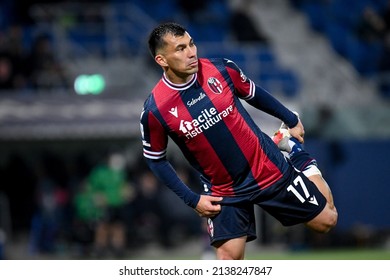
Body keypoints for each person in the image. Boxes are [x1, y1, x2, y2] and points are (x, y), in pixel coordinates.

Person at [140, 22, 337, 260]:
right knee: (228, 260)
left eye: (191, 44)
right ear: (162, 60)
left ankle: (296, 154)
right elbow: (156, 160)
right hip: (224, 190)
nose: (191, 52)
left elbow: (254, 93)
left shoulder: (221, 69)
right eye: (180, 49)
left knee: (327, 221)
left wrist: (289, 118)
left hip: (266, 167)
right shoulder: (155, 110)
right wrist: (192, 200)